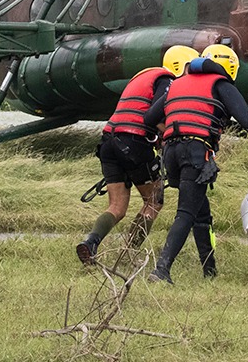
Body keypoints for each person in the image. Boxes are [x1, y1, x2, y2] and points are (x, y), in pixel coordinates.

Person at [141, 43, 248, 284]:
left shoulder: (177, 84)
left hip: (171, 154)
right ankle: (162, 269)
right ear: (231, 67)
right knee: (185, 213)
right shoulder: (221, 84)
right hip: (195, 152)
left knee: (199, 210)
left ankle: (210, 270)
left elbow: (149, 118)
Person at [76, 44, 198, 265]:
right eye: (192, 68)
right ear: (182, 66)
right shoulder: (167, 81)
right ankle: (128, 253)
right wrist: (168, 136)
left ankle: (91, 242)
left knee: (117, 207)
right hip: (132, 143)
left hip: (109, 142)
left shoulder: (142, 77)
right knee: (155, 199)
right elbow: (153, 114)